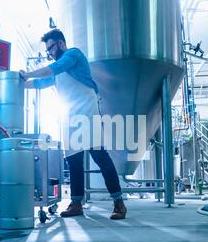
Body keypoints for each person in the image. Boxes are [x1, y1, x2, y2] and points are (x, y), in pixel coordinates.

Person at [19, 29, 127, 220]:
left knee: (100, 156)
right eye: (48, 50)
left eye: (51, 47)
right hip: (69, 117)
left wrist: (27, 74)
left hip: (87, 111)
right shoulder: (57, 69)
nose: (50, 52)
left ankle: (119, 203)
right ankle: (76, 203)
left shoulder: (73, 55)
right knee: (73, 161)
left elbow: (53, 68)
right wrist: (17, 83)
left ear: (60, 43)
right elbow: (40, 83)